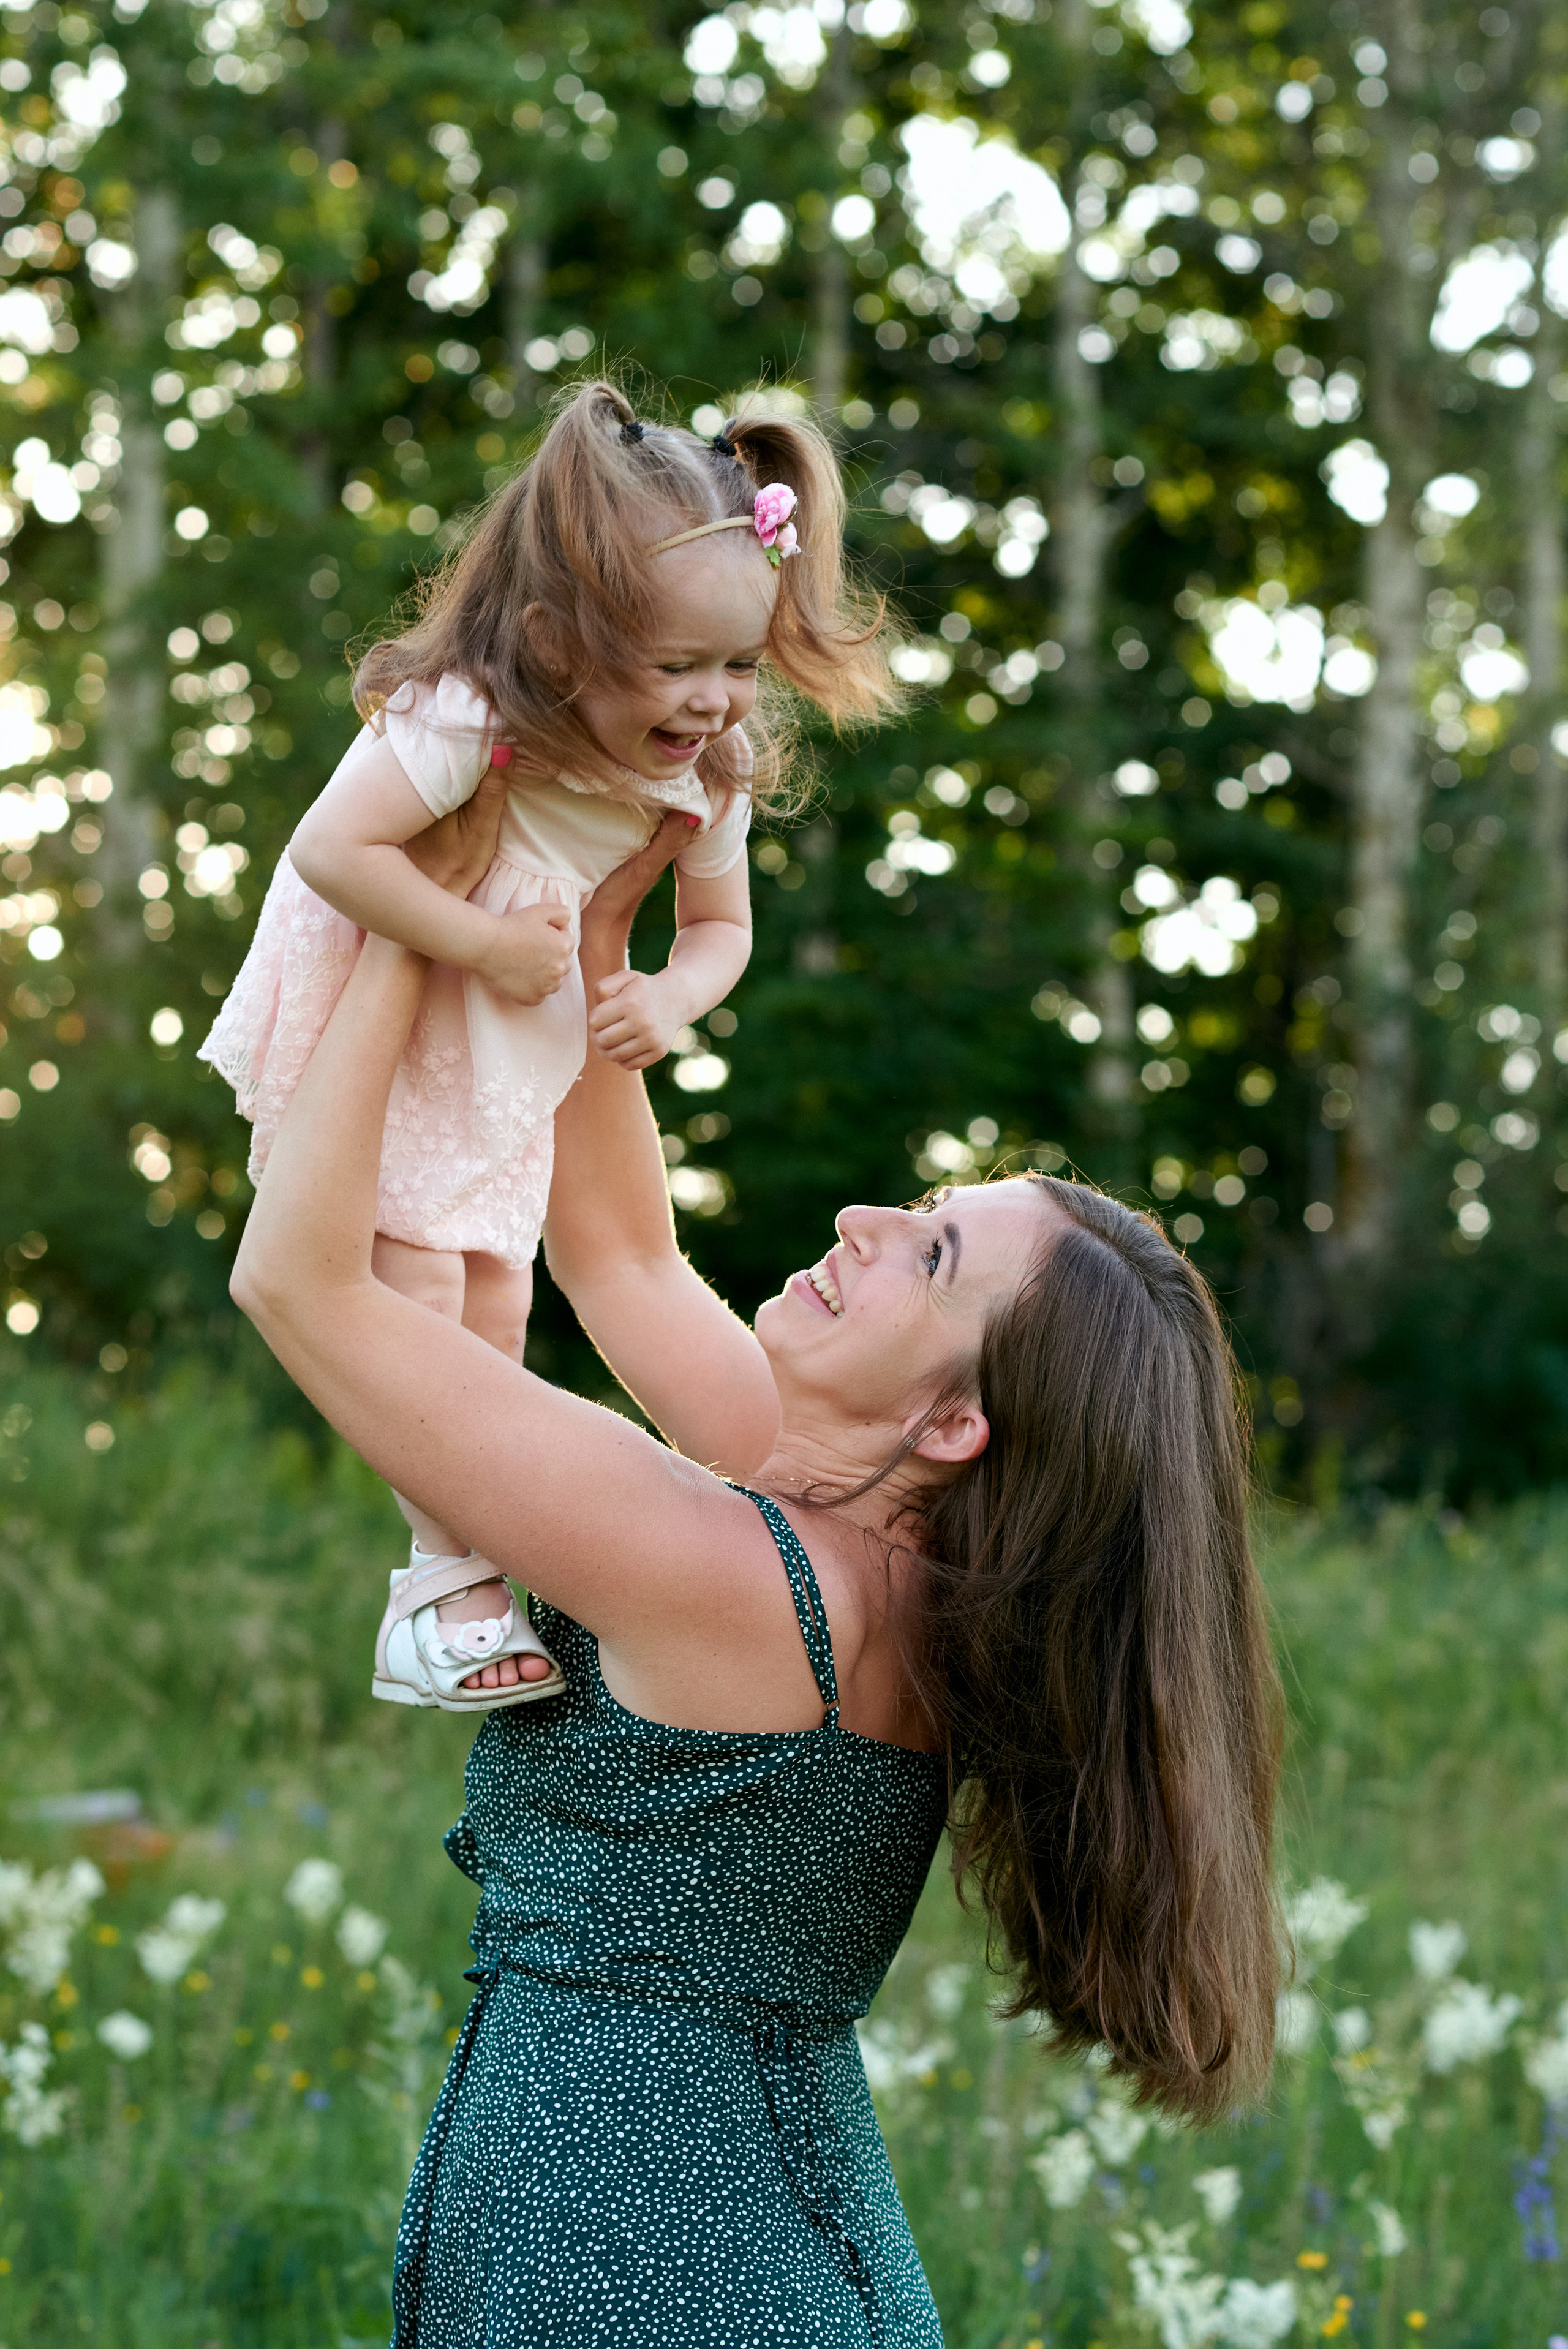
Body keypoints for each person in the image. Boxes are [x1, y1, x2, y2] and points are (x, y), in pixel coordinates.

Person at [230, 766, 1283, 2348]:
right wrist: (587, 942)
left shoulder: (727, 1579)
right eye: (920, 1202)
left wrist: (403, 916)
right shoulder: (877, 1578)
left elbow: (302, 1282)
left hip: (676, 2286)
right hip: (717, 2256)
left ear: (953, 1426)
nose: (862, 1216)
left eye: (928, 1252)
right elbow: (619, 1250)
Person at [202, 379, 897, 1714]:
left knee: (495, 1299)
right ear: (559, 641)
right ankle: (445, 1585)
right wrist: (474, 943)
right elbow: (335, 853)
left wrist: (671, 998)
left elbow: (721, 929)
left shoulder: (706, 772)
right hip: (401, 996)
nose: (714, 702)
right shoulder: (470, 717)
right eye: (677, 666)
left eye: (741, 667)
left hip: (515, 1028)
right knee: (411, 1283)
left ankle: (457, 1579)